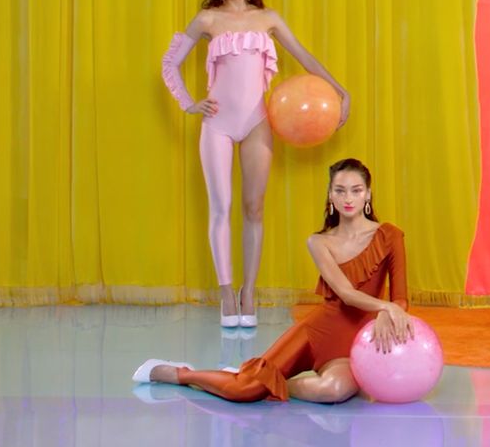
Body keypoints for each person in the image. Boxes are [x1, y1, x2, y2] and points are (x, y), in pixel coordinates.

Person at [160, 0, 350, 327]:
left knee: (253, 208)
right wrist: (188, 103)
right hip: (217, 123)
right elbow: (169, 64)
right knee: (221, 206)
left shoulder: (268, 19)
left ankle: (249, 290)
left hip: (257, 122)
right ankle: (226, 293)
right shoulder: (206, 20)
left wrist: (339, 90)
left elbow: (305, 57)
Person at [133, 159, 408, 403]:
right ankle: (179, 373)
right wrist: (385, 308)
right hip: (319, 332)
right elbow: (346, 293)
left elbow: (401, 298)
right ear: (330, 195)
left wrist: (390, 309)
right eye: (340, 190)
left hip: (356, 343)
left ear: (368, 194)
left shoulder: (390, 235)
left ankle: (268, 381)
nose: (348, 198)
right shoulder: (319, 241)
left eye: (356, 190)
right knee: (245, 391)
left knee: (334, 391)